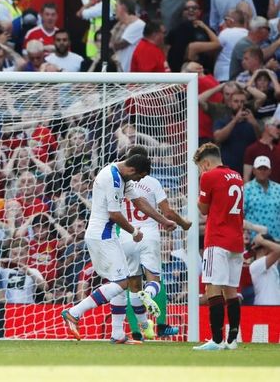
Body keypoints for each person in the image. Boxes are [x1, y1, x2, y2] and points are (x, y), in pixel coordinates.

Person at [61, 153, 176, 343]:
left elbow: (139, 201)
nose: (138, 180)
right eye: (138, 177)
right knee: (122, 282)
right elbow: (114, 214)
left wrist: (163, 220)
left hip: (109, 236)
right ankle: (74, 312)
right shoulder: (112, 178)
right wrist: (133, 231)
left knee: (124, 282)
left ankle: (117, 334)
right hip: (102, 235)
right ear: (132, 170)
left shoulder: (122, 175)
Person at [119, 146, 192, 340]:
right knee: (154, 280)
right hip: (149, 235)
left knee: (132, 284)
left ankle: (136, 331)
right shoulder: (152, 182)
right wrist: (184, 223)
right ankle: (161, 325)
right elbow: (167, 213)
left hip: (126, 234)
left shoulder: (120, 181)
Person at [193, 143, 244, 350]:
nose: (201, 172)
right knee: (231, 291)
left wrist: (199, 197)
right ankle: (232, 340)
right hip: (236, 240)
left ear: (206, 163)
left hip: (217, 239)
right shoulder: (237, 176)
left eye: (200, 168)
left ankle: (216, 340)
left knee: (212, 287)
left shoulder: (209, 176)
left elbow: (204, 209)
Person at [243, 156, 280, 239]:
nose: (262, 171)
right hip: (254, 239)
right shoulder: (246, 189)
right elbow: (241, 215)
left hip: (276, 238)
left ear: (270, 171)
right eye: (260, 168)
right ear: (254, 170)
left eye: (265, 169)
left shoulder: (278, 188)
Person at [249, 234, 280, 305]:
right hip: (264, 308)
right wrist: (262, 241)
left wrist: (261, 241)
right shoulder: (256, 265)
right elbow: (278, 250)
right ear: (266, 248)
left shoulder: (272, 264)